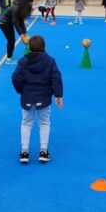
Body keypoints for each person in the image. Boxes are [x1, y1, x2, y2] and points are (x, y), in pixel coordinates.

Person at [11, 35, 63, 164]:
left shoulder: (23, 61)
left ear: (28, 47)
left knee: (26, 122)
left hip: (27, 96)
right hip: (44, 96)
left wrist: (20, 90)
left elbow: (15, 78)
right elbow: (56, 77)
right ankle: (43, 152)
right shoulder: (50, 60)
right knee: (44, 123)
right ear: (44, 48)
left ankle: (24, 152)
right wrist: (58, 95)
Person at [0, 0, 33, 64]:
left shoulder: (21, 8)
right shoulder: (16, 7)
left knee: (12, 40)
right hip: (4, 23)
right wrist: (21, 34)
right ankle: (8, 60)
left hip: (9, 23)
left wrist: (25, 33)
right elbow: (15, 21)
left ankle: (9, 58)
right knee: (11, 40)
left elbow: (21, 21)